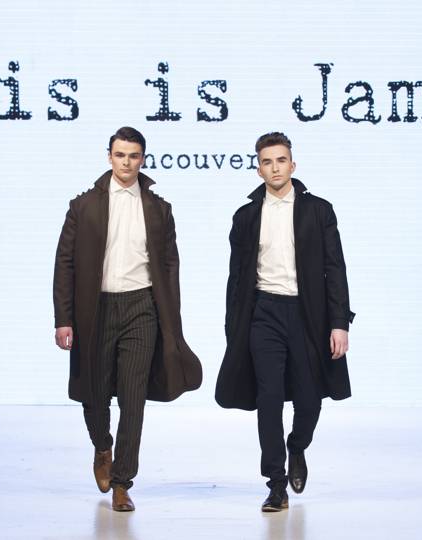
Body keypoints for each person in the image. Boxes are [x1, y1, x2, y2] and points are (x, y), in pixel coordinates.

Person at [53, 126, 202, 512]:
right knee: (94, 394)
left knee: (133, 397)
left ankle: (122, 482)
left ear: (142, 159)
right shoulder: (82, 206)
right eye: (120, 155)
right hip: (95, 309)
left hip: (141, 308)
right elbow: (65, 264)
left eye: (134, 156)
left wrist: (171, 319)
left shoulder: (158, 209)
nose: (127, 162)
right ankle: (102, 446)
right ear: (109, 157)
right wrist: (63, 318)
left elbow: (170, 267)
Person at [216, 131, 354, 512]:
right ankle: (276, 483)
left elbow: (335, 269)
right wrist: (233, 328)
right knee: (269, 399)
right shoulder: (246, 217)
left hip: (309, 316)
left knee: (310, 401)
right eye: (267, 162)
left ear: (293, 165)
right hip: (264, 314)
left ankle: (297, 446)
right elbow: (236, 278)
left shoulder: (319, 211)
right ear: (258, 169)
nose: (274, 168)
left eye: (281, 160)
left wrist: (339, 322)